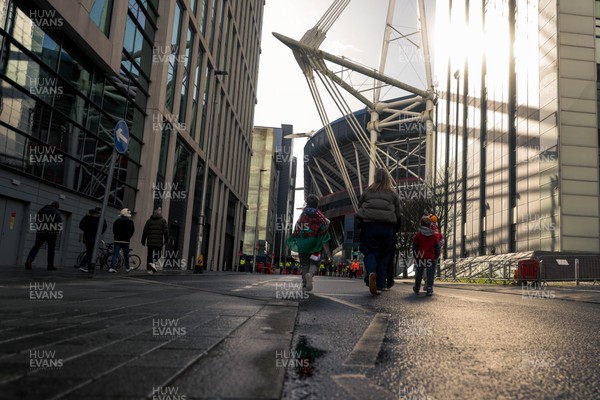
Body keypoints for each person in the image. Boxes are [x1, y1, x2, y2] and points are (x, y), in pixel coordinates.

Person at [356, 168, 401, 295]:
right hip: (387, 228)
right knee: (384, 256)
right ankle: (380, 285)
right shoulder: (393, 194)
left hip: (370, 226)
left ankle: (371, 272)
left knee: (370, 252)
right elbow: (398, 213)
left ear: (375, 178)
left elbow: (360, 208)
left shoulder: (367, 191)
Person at [286, 194, 331, 292]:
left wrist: (296, 238)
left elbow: (297, 229)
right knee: (314, 263)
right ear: (317, 204)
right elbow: (324, 228)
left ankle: (305, 285)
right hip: (315, 246)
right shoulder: (320, 216)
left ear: (307, 203)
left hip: (303, 245)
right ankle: (310, 275)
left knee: (305, 265)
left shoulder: (303, 215)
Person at [25, 201, 62, 270]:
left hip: (41, 232)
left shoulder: (41, 210)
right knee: (51, 250)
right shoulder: (56, 212)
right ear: (57, 207)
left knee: (36, 246)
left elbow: (37, 220)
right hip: (51, 233)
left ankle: (29, 260)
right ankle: (50, 266)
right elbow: (59, 224)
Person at [413, 216, 441, 296]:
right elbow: (436, 247)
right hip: (431, 258)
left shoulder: (418, 235)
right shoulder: (434, 236)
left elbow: (414, 246)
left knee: (419, 274)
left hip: (420, 258)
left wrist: (416, 256)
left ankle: (417, 288)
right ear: (430, 225)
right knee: (430, 274)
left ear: (421, 225)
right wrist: (435, 256)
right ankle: (429, 289)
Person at [78, 207, 107, 273]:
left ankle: (88, 267)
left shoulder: (86, 217)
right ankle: (83, 265)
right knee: (90, 252)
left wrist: (86, 230)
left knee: (89, 251)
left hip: (87, 236)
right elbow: (105, 226)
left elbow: (80, 226)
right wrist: (99, 232)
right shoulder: (100, 218)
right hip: (94, 237)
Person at [141, 207, 169, 274]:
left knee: (149, 256)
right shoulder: (163, 221)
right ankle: (154, 264)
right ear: (160, 214)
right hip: (158, 243)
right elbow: (166, 232)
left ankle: (149, 269)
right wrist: (166, 240)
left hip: (150, 242)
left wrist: (143, 240)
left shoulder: (149, 221)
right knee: (158, 255)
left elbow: (145, 231)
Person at [109, 208, 135, 273]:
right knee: (126, 254)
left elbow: (114, 230)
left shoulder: (117, 221)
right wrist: (128, 237)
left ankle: (112, 267)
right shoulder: (130, 222)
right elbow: (132, 231)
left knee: (116, 254)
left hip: (117, 240)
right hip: (125, 241)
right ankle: (127, 268)